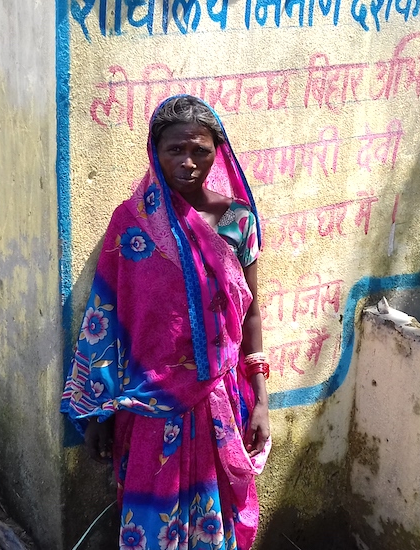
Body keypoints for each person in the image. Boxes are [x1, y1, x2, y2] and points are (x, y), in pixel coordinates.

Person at [61, 94, 271, 550]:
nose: (188, 162)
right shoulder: (131, 223)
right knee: (151, 529)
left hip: (218, 402)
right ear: (155, 152)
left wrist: (261, 400)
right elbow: (105, 318)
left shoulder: (238, 220)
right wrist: (98, 409)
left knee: (215, 526)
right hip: (150, 409)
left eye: (200, 149)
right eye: (175, 149)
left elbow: (250, 311)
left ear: (219, 152)